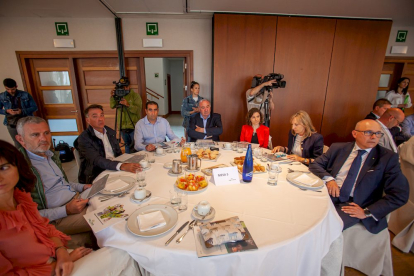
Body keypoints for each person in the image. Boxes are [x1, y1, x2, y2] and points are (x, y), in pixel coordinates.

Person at [0, 140, 93, 275]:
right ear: (21, 140)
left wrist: (60, 251)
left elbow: (44, 228)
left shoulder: (21, 198)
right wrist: (61, 262)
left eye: (3, 168)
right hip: (47, 270)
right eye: (35, 135)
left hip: (54, 254)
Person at [309, 119, 409, 234]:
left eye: (378, 133)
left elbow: (400, 194)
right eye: (368, 132)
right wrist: (330, 179)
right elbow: (315, 164)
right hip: (329, 193)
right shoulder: (338, 148)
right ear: (354, 133)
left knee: (323, 228)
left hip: (355, 204)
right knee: (301, 213)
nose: (374, 137)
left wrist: (367, 212)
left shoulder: (387, 158)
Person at [15, 116, 97, 249]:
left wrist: (83, 186)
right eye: (35, 135)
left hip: (76, 199)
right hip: (57, 218)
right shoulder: (19, 168)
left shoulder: (50, 155)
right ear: (20, 139)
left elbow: (63, 183)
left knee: (115, 198)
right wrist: (65, 210)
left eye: (46, 133)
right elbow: (30, 214)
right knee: (109, 217)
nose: (43, 138)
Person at [76, 104, 141, 184]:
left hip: (114, 167)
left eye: (102, 115)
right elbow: (97, 160)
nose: (100, 119)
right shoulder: (84, 139)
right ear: (88, 120)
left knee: (139, 175)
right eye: (95, 116)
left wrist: (126, 163)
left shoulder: (110, 132)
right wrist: (122, 166)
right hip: (97, 173)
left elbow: (118, 153)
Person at [0, 78, 38, 147]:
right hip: (11, 122)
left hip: (26, 121)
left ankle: (31, 157)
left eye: (13, 89)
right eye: (8, 89)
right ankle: (21, 157)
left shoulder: (25, 95)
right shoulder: (2, 96)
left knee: (31, 140)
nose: (10, 91)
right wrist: (7, 111)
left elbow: (34, 107)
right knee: (18, 142)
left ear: (16, 86)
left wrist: (22, 111)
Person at [109, 86, 142, 153]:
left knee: (136, 146)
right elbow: (112, 106)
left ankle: (137, 161)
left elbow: (138, 110)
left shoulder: (135, 96)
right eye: (122, 87)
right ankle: (128, 161)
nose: (124, 88)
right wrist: (112, 97)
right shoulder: (117, 95)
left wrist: (128, 105)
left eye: (126, 86)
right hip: (122, 126)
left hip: (133, 126)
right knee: (127, 145)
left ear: (129, 86)